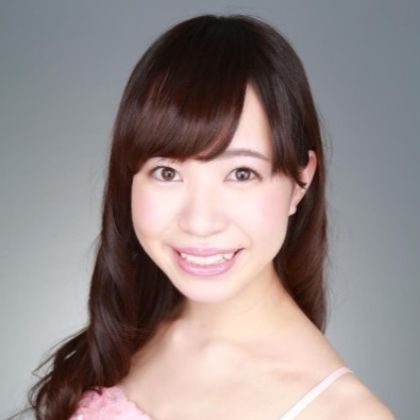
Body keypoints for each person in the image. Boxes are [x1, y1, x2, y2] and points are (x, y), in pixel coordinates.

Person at [10, 13, 394, 420]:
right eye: (167, 173)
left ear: (301, 181)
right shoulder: (124, 338)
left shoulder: (343, 412)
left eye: (241, 173)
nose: (199, 221)